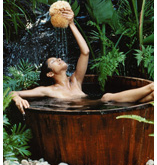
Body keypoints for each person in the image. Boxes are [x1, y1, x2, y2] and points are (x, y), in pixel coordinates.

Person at [10, 7, 154, 114]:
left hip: (99, 108)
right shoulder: (47, 91)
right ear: (50, 74)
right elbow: (11, 93)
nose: (59, 58)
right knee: (108, 97)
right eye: (54, 61)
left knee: (150, 97)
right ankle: (152, 86)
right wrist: (17, 99)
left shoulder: (75, 81)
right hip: (90, 112)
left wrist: (71, 23)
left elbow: (85, 52)